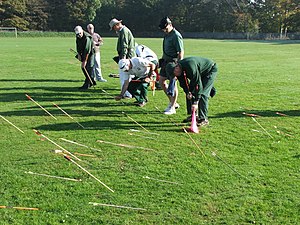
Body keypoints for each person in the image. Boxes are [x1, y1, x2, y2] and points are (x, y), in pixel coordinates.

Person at [166, 56, 218, 126]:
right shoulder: (178, 71)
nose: (175, 75)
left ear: (177, 67)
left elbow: (197, 84)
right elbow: (183, 83)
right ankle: (193, 115)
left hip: (209, 70)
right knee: (190, 93)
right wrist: (187, 92)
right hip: (199, 73)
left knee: (202, 94)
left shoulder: (190, 66)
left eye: (175, 73)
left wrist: (196, 102)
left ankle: (203, 119)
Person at [158, 16, 184, 115]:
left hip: (173, 62)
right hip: (165, 61)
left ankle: (172, 107)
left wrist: (179, 65)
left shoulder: (176, 35)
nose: (164, 30)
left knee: (173, 84)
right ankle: (173, 102)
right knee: (161, 81)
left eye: (165, 28)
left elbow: (180, 52)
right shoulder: (166, 34)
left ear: (170, 24)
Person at [109, 18, 136, 98]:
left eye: (114, 28)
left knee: (124, 75)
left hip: (127, 57)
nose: (114, 30)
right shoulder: (124, 30)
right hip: (128, 56)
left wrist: (123, 58)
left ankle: (127, 93)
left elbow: (125, 45)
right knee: (127, 75)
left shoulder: (123, 31)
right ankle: (127, 93)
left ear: (117, 25)